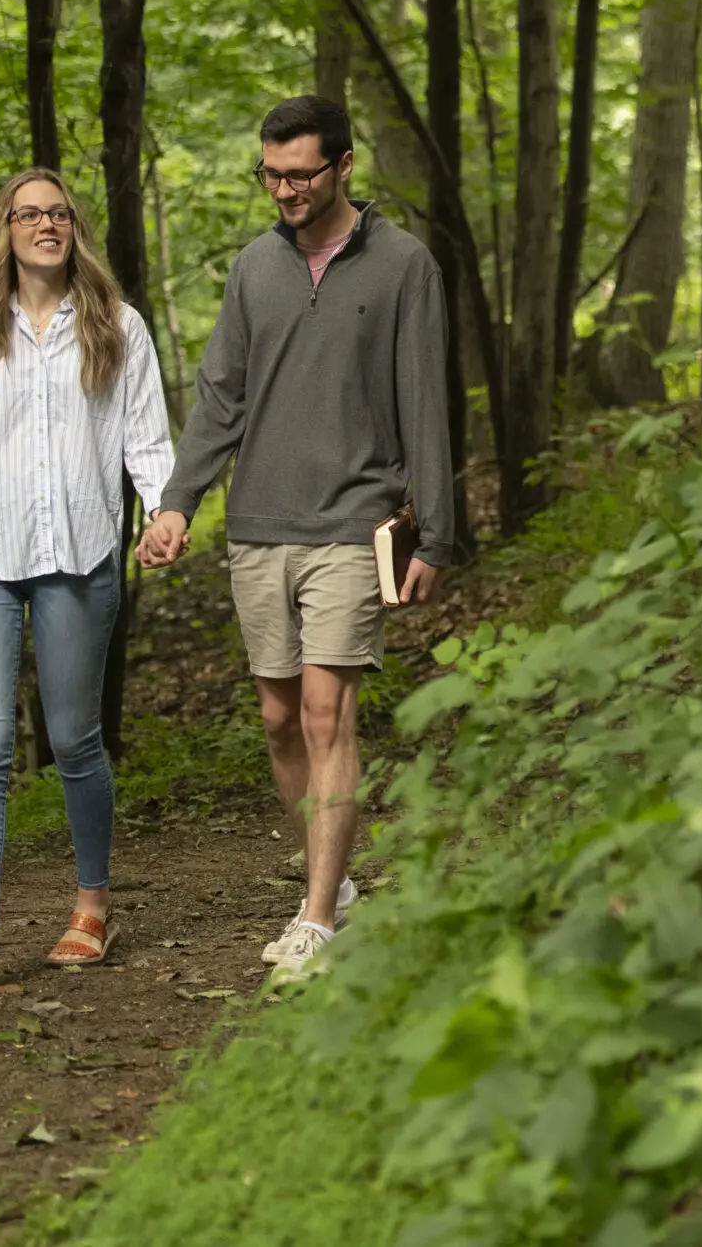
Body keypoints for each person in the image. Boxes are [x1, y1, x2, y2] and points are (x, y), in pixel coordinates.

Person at [137, 95, 457, 981]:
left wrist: (435, 532)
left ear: (344, 166)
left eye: (300, 173)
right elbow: (221, 398)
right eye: (270, 174)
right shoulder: (253, 270)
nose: (283, 189)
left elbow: (428, 403)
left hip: (355, 523)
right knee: (279, 719)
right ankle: (338, 879)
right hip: (259, 525)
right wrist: (177, 501)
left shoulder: (403, 267)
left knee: (327, 711)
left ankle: (316, 916)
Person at [0, 171, 173, 1001]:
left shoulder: (117, 326)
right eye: (27, 214)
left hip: (79, 555)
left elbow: (146, 437)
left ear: (75, 228)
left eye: (57, 213)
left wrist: (165, 512)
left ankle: (92, 904)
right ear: (6, 231)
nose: (44, 225)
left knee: (74, 740)